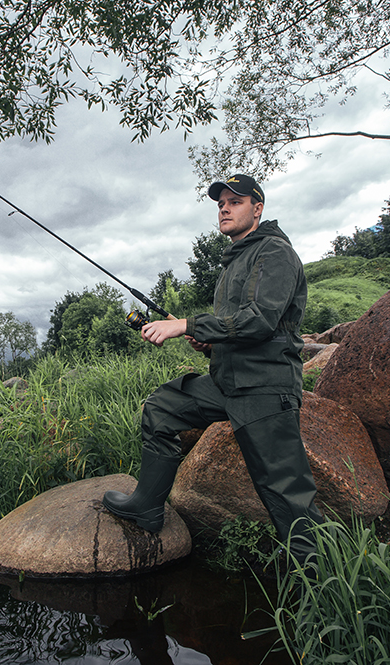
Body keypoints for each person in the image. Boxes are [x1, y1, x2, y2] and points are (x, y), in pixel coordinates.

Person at [101, 173, 323, 565]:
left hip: (265, 388)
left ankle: (319, 589)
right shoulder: (234, 261)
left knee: (288, 495)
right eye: (221, 201)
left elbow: (261, 321)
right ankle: (147, 506)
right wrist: (209, 342)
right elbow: (237, 331)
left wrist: (186, 324)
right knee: (163, 406)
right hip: (226, 383)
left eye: (235, 201)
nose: (224, 206)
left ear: (258, 208)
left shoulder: (274, 253)